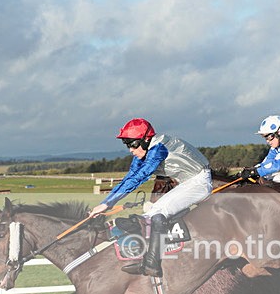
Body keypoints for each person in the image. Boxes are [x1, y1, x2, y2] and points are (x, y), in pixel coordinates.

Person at [89, 118, 211, 277]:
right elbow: (130, 177)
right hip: (186, 183)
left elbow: (140, 177)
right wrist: (106, 203)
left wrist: (108, 204)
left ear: (146, 139)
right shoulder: (145, 150)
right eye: (127, 145)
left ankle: (151, 264)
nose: (130, 150)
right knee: (153, 211)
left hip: (199, 182)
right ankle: (137, 228)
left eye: (132, 144)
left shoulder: (158, 149)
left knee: (158, 214)